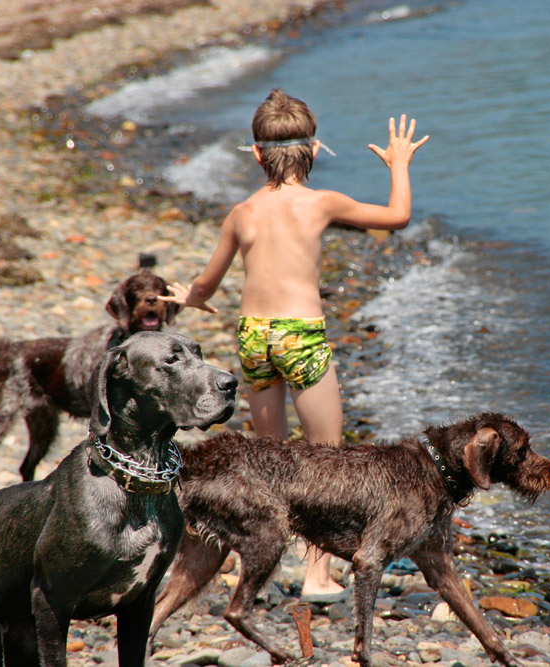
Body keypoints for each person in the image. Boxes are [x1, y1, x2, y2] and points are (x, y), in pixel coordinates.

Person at [162, 88, 428, 600]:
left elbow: (206, 284)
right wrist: (399, 164)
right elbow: (397, 218)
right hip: (299, 335)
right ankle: (317, 575)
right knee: (327, 462)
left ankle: (262, 564)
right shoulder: (321, 202)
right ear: (316, 149)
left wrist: (189, 297)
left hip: (254, 338)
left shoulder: (242, 212)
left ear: (257, 153)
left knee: (274, 459)